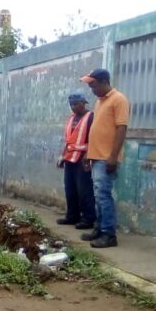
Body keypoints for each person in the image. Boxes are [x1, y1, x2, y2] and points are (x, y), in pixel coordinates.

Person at [79, 68, 129, 248]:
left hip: (106, 158)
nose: (91, 89)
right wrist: (88, 153)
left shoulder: (119, 100)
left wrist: (113, 157)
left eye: (93, 85)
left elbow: (121, 128)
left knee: (103, 195)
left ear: (103, 82)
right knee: (98, 195)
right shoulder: (100, 101)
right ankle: (100, 229)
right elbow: (97, 131)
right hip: (96, 156)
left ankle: (109, 234)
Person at [56, 93, 96, 230]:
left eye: (76, 104)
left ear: (83, 103)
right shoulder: (71, 118)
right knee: (70, 189)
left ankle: (88, 218)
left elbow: (94, 139)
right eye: (71, 104)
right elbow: (69, 140)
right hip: (69, 158)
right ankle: (72, 216)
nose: (73, 107)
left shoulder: (90, 117)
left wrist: (87, 155)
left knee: (84, 190)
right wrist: (62, 157)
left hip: (82, 159)